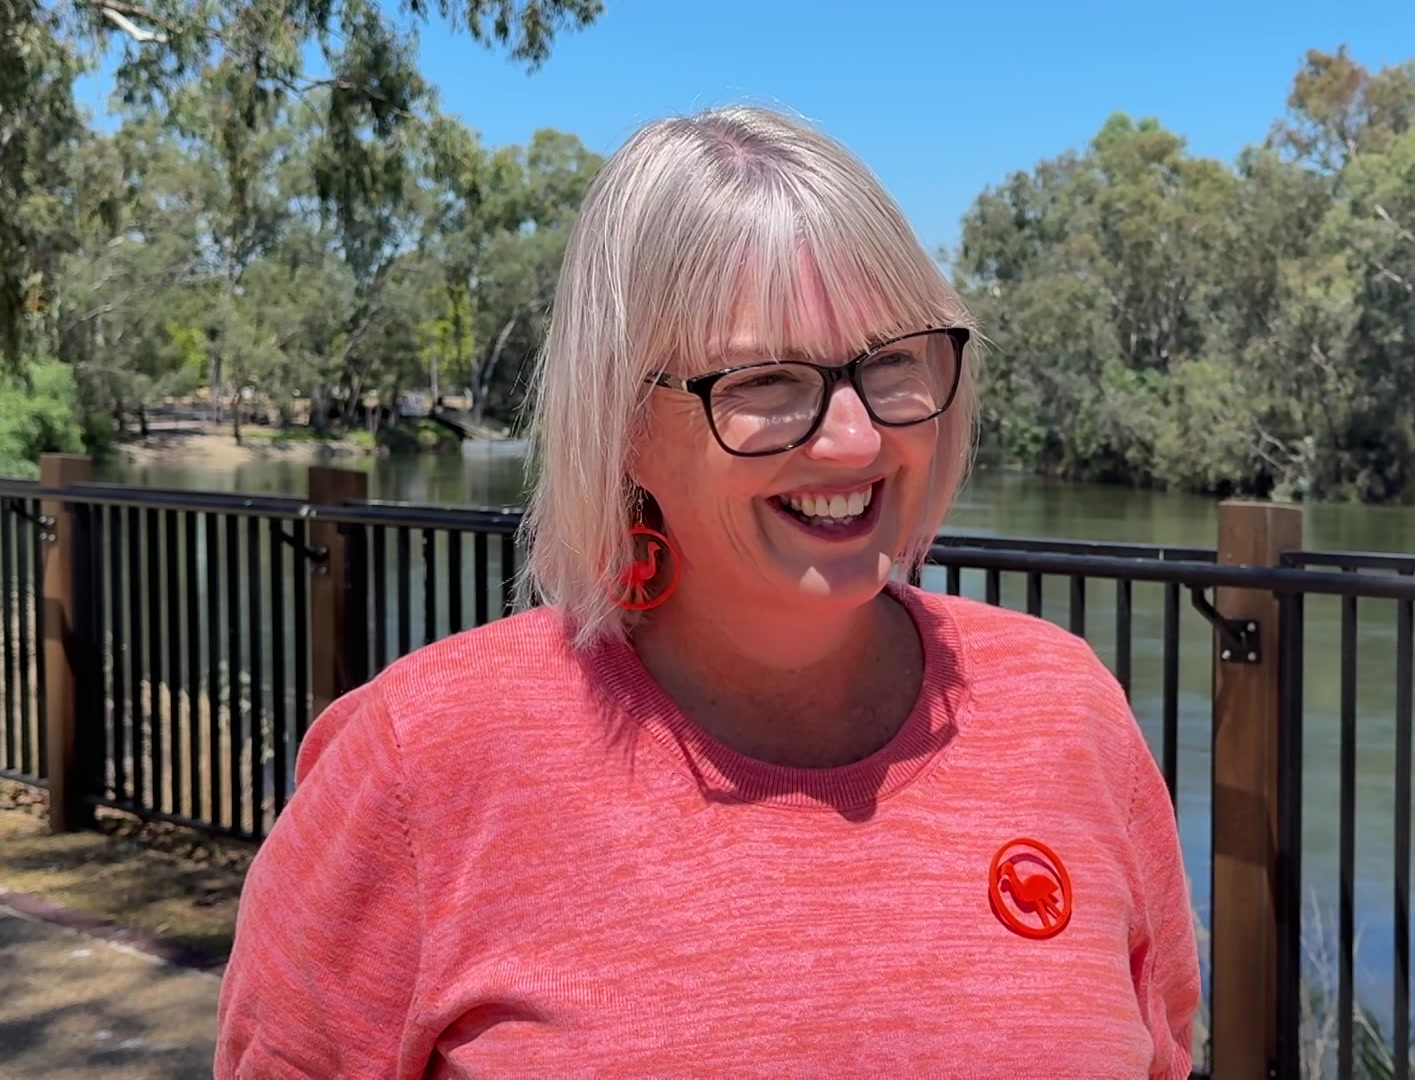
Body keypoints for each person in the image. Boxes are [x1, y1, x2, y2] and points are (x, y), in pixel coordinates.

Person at [215, 104, 1201, 1078]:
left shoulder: (1063, 710)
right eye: (766, 381)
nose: (857, 440)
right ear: (626, 423)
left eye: (894, 363)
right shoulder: (423, 764)